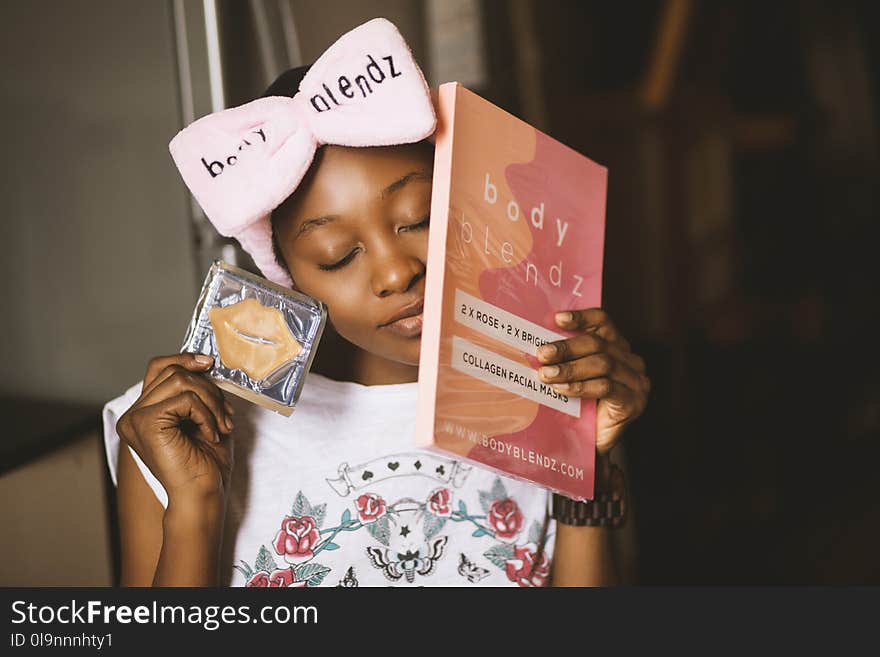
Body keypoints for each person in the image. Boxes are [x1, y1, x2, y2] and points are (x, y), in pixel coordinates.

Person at [102, 18, 649, 587]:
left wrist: (587, 456)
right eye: (337, 255)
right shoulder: (183, 434)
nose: (396, 271)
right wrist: (194, 509)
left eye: (420, 219)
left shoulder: (544, 380)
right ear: (288, 277)